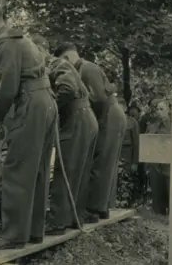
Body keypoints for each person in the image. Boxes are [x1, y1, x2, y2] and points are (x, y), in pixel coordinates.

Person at [0, 1, 57, 249]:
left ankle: (13, 235)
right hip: (46, 101)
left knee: (17, 167)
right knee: (38, 169)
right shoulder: (21, 38)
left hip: (30, 103)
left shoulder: (7, 43)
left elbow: (8, 88)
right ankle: (33, 231)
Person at [31, 34, 98, 235]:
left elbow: (67, 88)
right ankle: (72, 218)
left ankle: (58, 222)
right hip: (85, 118)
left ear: (42, 49)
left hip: (76, 119)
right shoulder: (56, 65)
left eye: (33, 52)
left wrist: (51, 110)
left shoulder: (55, 64)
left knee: (65, 169)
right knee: (79, 171)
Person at [55, 42, 126, 221]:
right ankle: (101, 206)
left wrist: (96, 122)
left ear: (66, 57)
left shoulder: (87, 68)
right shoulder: (82, 69)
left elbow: (100, 99)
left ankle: (94, 209)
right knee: (102, 161)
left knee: (102, 162)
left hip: (108, 115)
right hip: (107, 115)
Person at [146, 100, 172, 215]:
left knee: (171, 192)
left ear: (169, 110)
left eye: (162, 109)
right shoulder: (152, 127)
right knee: (157, 192)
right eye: (157, 109)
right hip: (155, 164)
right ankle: (158, 215)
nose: (159, 112)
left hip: (170, 164)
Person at [118, 97, 140, 201]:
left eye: (120, 106)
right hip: (115, 158)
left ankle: (128, 202)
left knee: (127, 182)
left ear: (125, 107)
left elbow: (136, 144)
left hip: (127, 158)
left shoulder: (132, 123)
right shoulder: (110, 120)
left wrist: (135, 162)